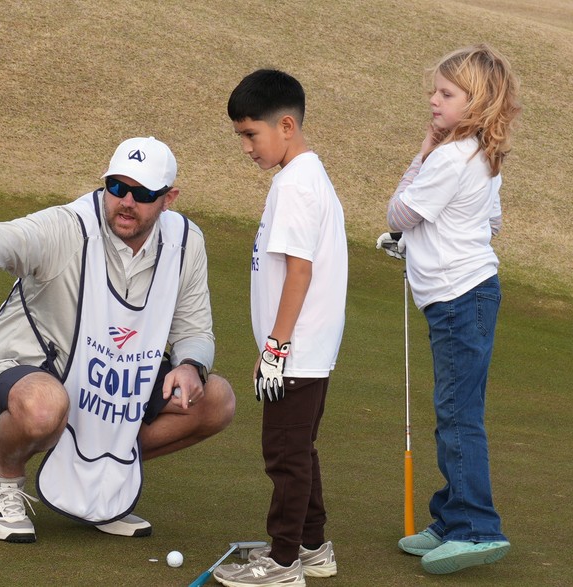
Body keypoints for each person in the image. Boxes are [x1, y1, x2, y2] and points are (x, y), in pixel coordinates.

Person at [0, 136, 236, 544]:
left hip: (112, 385)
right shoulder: (68, 228)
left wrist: (190, 364)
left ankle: (98, 478)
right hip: (23, 372)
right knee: (44, 406)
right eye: (116, 187)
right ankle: (5, 484)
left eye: (142, 193)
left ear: (168, 198)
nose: (125, 201)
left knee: (215, 400)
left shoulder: (186, 243)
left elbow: (194, 329)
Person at [378, 44, 521, 574]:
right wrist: (418, 243)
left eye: (445, 94)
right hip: (471, 293)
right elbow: (491, 225)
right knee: (457, 412)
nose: (433, 102)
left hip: (460, 298)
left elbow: (399, 211)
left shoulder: (447, 156)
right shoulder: (484, 154)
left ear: (475, 101)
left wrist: (422, 151)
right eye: (433, 93)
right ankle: (451, 517)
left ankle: (479, 529)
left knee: (458, 417)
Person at [213, 69, 347, 587]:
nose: (246, 147)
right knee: (298, 450)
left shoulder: (295, 185)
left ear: (285, 125)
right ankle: (313, 548)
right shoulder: (306, 177)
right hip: (306, 347)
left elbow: (299, 271)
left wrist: (276, 347)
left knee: (284, 457)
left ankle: (284, 563)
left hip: (297, 348)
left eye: (251, 134)